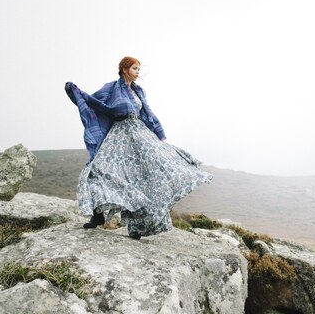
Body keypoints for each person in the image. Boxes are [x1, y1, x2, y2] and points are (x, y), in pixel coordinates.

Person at [65, 56, 212, 240]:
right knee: (98, 170)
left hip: (138, 132)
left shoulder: (138, 91)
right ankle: (97, 216)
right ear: (125, 69)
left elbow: (146, 112)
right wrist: (75, 92)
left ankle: (138, 227)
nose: (137, 72)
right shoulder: (110, 88)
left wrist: (157, 132)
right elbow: (93, 103)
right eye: (135, 68)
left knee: (144, 176)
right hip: (119, 134)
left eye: (138, 69)